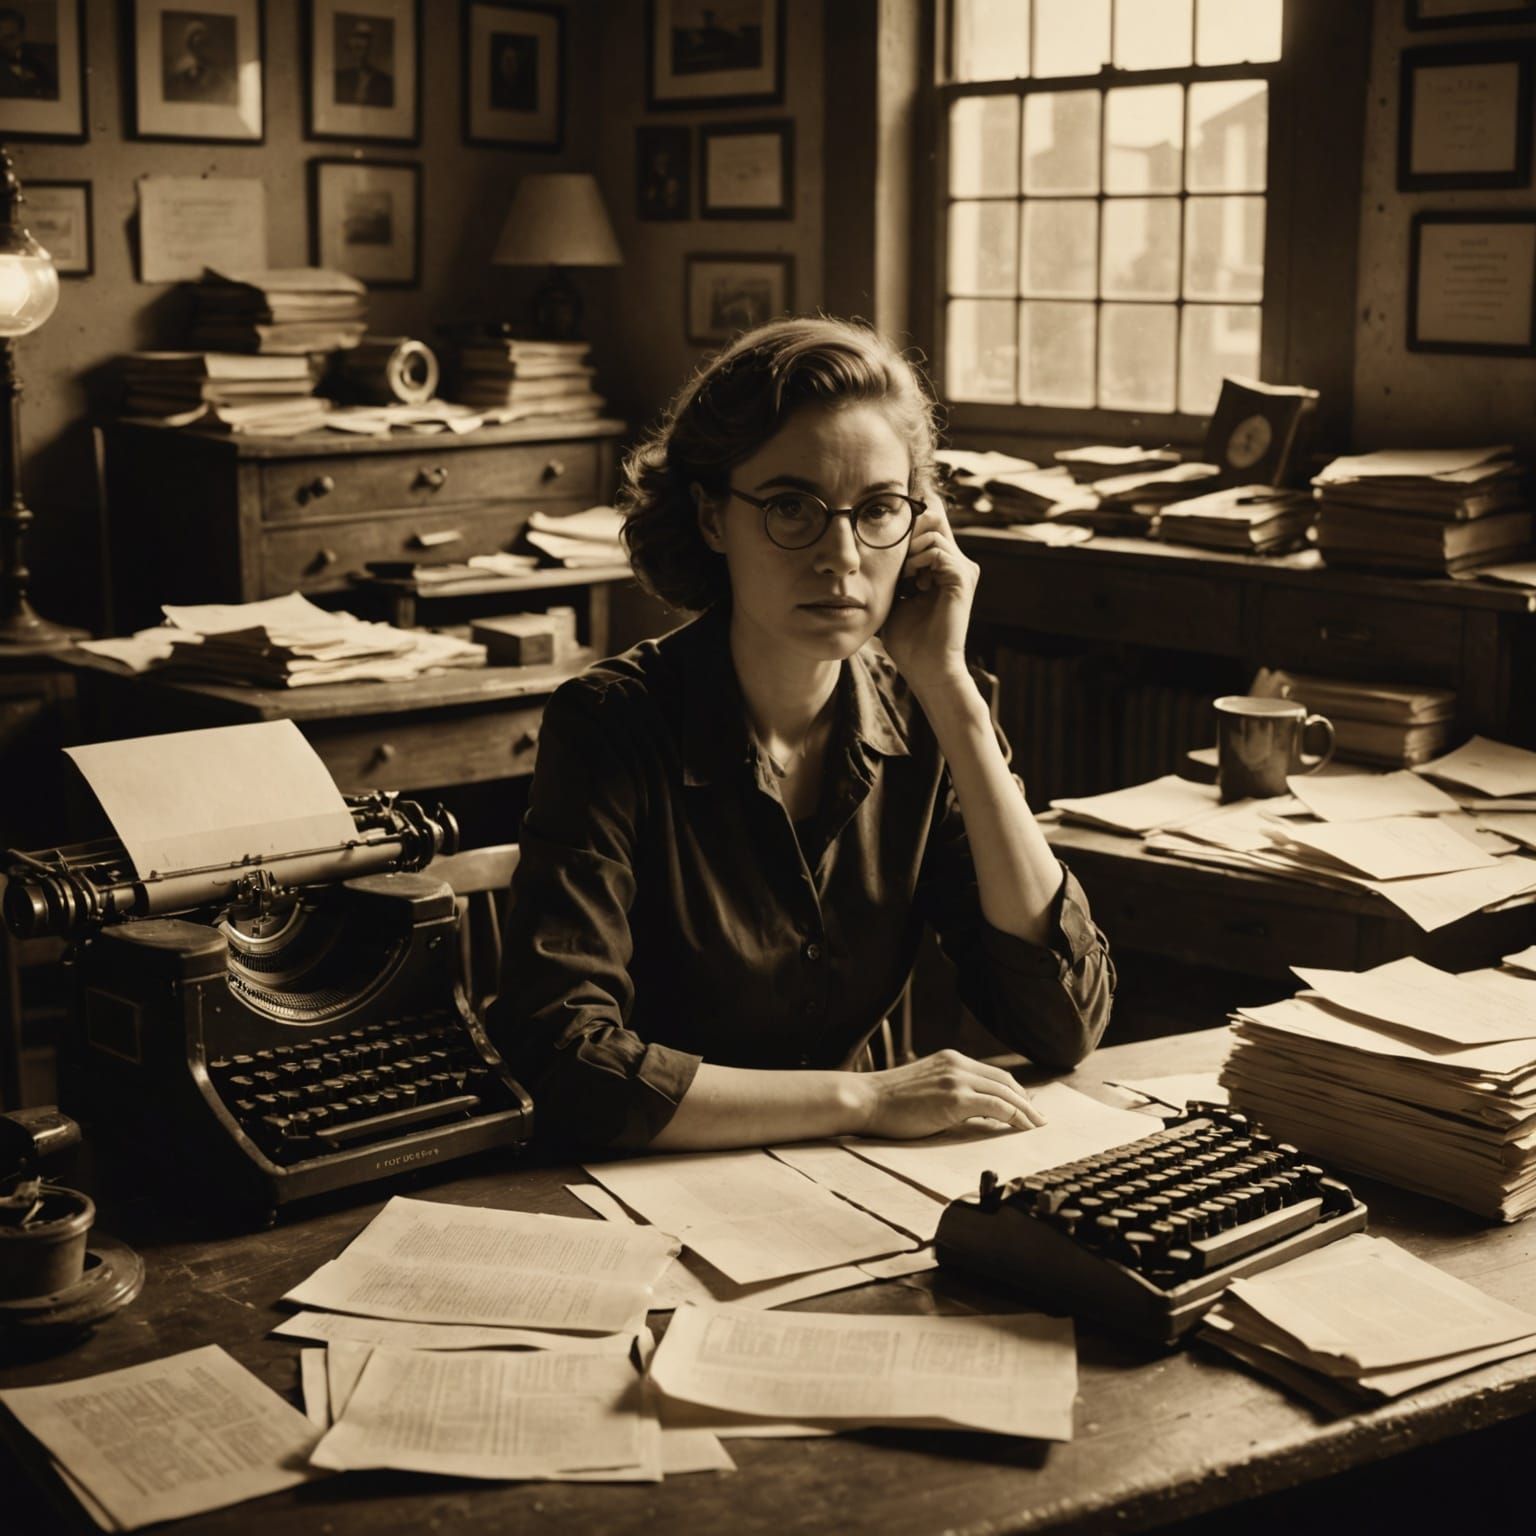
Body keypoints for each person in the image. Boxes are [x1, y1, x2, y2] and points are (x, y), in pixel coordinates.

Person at [487, 317, 1114, 1158]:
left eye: (879, 509)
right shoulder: (611, 723)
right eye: (791, 507)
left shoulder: (931, 713)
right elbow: (566, 1064)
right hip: (639, 1181)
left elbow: (1063, 1024)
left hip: (841, 1178)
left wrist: (952, 693)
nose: (842, 556)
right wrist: (863, 1098)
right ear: (712, 517)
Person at [333, 19, 393, 108]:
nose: (359, 42)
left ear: (371, 45)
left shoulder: (386, 82)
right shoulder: (338, 79)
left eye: (364, 38)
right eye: (356, 38)